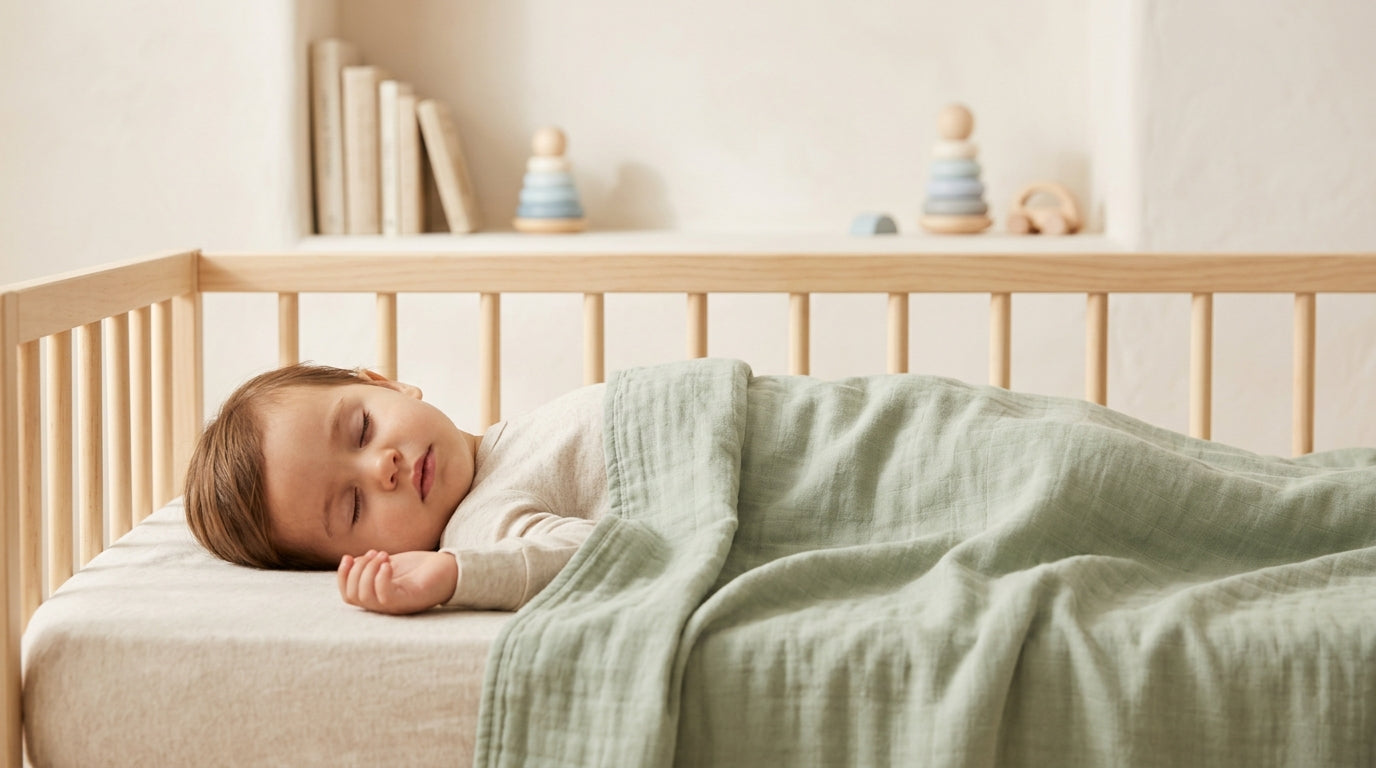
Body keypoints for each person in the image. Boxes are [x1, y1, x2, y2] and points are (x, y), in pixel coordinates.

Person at [184, 363, 607, 615]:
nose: (381, 468)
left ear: (386, 385)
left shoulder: (510, 438)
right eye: (353, 506)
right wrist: (456, 575)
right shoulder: (479, 523)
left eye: (362, 429)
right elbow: (602, 554)